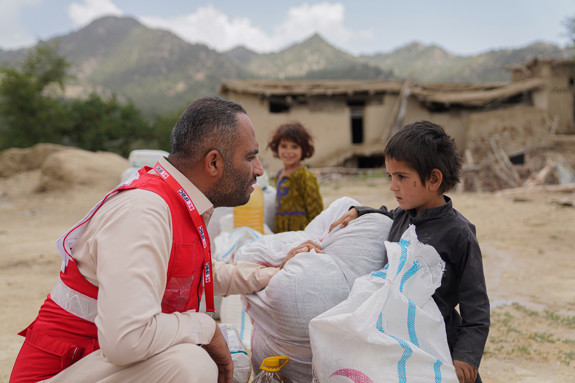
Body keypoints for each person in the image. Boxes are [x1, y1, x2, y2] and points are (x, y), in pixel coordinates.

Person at [10, 96, 281, 383]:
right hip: (63, 371)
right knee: (189, 365)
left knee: (212, 353)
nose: (259, 169)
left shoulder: (175, 199)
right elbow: (127, 340)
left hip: (94, 366)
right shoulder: (143, 212)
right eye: (250, 157)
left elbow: (198, 272)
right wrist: (205, 328)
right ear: (213, 162)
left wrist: (272, 274)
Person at [329, 121, 490, 383]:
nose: (392, 186)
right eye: (390, 176)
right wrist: (360, 212)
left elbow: (477, 307)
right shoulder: (404, 216)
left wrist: (466, 357)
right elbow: (386, 213)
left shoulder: (459, 234)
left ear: (434, 179)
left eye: (401, 177)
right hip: (398, 341)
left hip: (439, 347)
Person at [267, 121, 323, 233]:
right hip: (280, 229)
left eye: (294, 146)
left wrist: (316, 233)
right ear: (277, 147)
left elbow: (315, 209)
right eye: (284, 146)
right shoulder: (279, 174)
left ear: (303, 149)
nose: (289, 151)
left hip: (300, 230)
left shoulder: (305, 176)